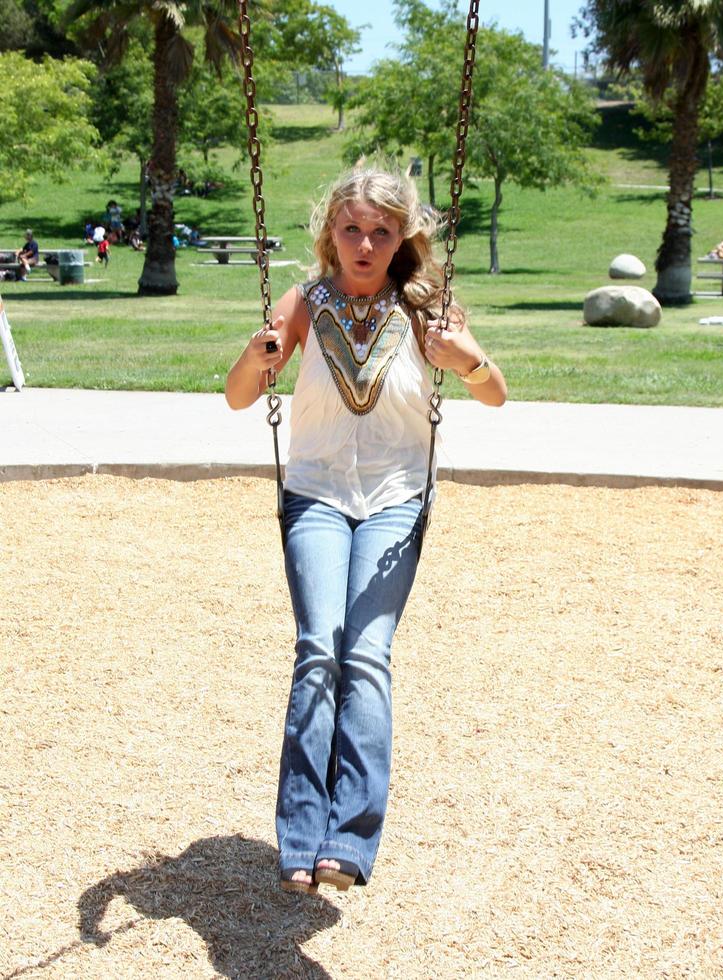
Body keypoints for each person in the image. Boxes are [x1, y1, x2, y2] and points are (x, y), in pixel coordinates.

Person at [225, 168, 506, 895]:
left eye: (382, 231)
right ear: (331, 233)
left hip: (395, 498)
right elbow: (236, 398)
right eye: (351, 228)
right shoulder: (304, 303)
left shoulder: (423, 307)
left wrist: (464, 359)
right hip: (316, 493)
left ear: (403, 239)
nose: (365, 243)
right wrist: (257, 361)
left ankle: (347, 840)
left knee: (368, 653)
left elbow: (494, 391)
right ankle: (298, 837)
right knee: (319, 647)